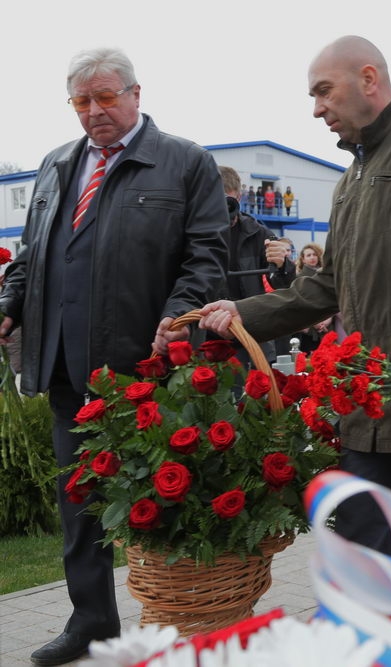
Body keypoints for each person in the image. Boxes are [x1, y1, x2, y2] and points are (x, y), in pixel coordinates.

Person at [199, 36, 391, 566]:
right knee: (357, 552)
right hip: (370, 402)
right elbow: (325, 287)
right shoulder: (351, 180)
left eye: (324, 91)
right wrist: (242, 312)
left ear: (369, 79)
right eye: (312, 96)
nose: (317, 107)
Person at [0, 47, 228, 666]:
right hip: (68, 370)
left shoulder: (185, 162)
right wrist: (9, 303)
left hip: (149, 367)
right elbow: (29, 256)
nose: (95, 112)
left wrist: (174, 316)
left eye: (106, 97)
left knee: (171, 497)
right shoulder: (54, 166)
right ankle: (92, 621)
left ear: (135, 93)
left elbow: (206, 255)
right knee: (80, 503)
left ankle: (190, 620)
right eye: (82, 102)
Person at [217, 166, 294, 364]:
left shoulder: (258, 233)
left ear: (239, 197)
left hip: (248, 332)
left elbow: (283, 285)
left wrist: (282, 264)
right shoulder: (193, 232)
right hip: (206, 334)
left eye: (227, 201)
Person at [294, 242, 335, 354]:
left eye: (314, 254)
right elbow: (299, 303)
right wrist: (314, 322)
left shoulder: (325, 276)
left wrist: (328, 319)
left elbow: (330, 297)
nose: (312, 257)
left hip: (327, 322)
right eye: (308, 255)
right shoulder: (299, 278)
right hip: (308, 326)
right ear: (303, 259)